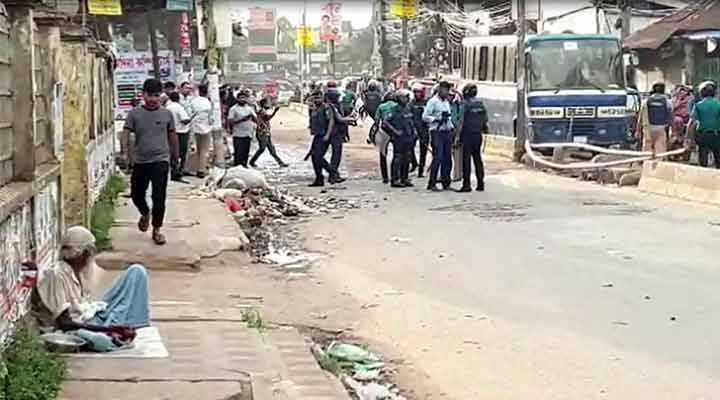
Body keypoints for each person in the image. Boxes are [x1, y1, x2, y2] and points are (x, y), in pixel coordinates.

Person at [33, 226, 149, 350]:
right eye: (89, 254)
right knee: (101, 341)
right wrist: (108, 329)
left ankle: (120, 328)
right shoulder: (57, 276)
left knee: (136, 272)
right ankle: (115, 332)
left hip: (91, 317)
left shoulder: (76, 271)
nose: (90, 259)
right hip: (76, 329)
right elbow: (65, 324)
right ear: (82, 254)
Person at [121, 78, 178, 245]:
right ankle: (145, 213)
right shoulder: (134, 114)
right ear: (143, 94)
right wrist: (125, 153)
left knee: (159, 196)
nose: (153, 99)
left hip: (161, 160)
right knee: (136, 194)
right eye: (150, 95)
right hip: (140, 161)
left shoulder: (167, 114)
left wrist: (176, 156)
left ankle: (157, 229)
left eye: (157, 95)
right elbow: (126, 133)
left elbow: (172, 135)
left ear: (161, 96)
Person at [423, 81, 455, 191]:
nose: (446, 92)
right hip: (436, 131)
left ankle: (446, 182)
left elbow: (449, 118)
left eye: (447, 90)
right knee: (438, 157)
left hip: (447, 131)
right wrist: (436, 119)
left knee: (447, 158)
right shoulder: (433, 102)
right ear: (440, 89)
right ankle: (432, 183)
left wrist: (452, 128)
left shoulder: (446, 102)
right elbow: (425, 116)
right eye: (444, 90)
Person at [456, 84, 488, 192]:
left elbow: (461, 121)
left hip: (467, 135)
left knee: (466, 160)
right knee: (477, 159)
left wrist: (457, 136)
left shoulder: (465, 104)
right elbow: (485, 120)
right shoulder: (480, 104)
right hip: (478, 135)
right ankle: (480, 184)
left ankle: (467, 185)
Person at [308, 90, 343, 186]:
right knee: (314, 157)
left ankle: (333, 173)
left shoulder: (326, 107)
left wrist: (327, 134)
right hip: (317, 134)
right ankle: (319, 178)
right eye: (315, 98)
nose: (316, 100)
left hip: (324, 134)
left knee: (318, 157)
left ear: (322, 97)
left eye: (318, 98)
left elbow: (331, 121)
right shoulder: (313, 108)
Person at [382, 89, 416, 188]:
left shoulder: (407, 108)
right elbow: (385, 122)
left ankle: (404, 178)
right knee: (398, 158)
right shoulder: (394, 109)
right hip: (399, 138)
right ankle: (395, 179)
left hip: (408, 137)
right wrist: (395, 131)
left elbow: (410, 121)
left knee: (407, 158)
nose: (407, 99)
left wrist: (414, 131)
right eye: (405, 97)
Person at [688, 81, 720, 168]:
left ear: (701, 93)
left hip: (702, 136)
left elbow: (691, 123)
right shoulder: (718, 105)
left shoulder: (698, 105)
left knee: (703, 163)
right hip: (717, 136)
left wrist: (690, 139)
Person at [325, 88, 357, 176]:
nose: (338, 99)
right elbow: (339, 119)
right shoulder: (332, 107)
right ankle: (333, 173)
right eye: (337, 97)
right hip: (335, 133)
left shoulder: (333, 106)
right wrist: (351, 119)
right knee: (336, 154)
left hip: (335, 132)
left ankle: (333, 173)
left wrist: (349, 119)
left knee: (335, 154)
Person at [250, 97, 288, 168]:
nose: (269, 104)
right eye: (267, 103)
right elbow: (267, 118)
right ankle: (252, 161)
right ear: (264, 104)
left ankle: (280, 162)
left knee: (270, 149)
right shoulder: (262, 111)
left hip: (265, 132)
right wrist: (275, 112)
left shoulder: (261, 110)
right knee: (263, 149)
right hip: (262, 133)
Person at [637, 82, 671, 157]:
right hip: (661, 128)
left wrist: (638, 129)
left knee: (647, 151)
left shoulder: (646, 101)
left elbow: (641, 116)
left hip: (648, 128)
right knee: (660, 152)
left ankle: (647, 163)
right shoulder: (667, 101)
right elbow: (670, 116)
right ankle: (658, 163)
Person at [165, 92, 193, 180]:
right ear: (178, 99)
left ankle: (173, 171)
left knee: (172, 153)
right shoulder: (179, 107)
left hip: (170, 132)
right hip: (181, 133)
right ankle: (179, 172)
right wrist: (190, 119)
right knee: (182, 154)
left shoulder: (167, 107)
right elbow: (184, 120)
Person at [374, 92, 400, 184]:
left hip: (384, 132)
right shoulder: (397, 106)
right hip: (396, 131)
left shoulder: (381, 106)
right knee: (397, 154)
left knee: (383, 154)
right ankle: (396, 176)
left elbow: (377, 120)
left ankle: (385, 177)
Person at [228, 90, 257, 168]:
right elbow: (230, 121)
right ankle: (237, 167)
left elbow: (256, 120)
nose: (243, 99)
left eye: (244, 98)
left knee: (246, 152)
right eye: (241, 98)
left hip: (248, 134)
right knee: (238, 153)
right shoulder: (233, 109)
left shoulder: (249, 108)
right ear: (237, 99)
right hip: (238, 134)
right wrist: (242, 119)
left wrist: (253, 117)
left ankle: (244, 166)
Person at [189, 84, 213, 178]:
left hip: (194, 128)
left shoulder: (193, 101)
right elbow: (211, 118)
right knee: (203, 150)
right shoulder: (208, 102)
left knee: (194, 149)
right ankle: (201, 170)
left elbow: (190, 113)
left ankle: (190, 169)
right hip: (206, 129)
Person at [410, 83, 430, 177]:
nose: (417, 94)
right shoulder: (411, 103)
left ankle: (421, 171)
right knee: (409, 148)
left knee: (423, 151)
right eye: (415, 92)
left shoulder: (427, 103)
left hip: (424, 130)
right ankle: (414, 163)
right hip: (413, 129)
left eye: (419, 92)